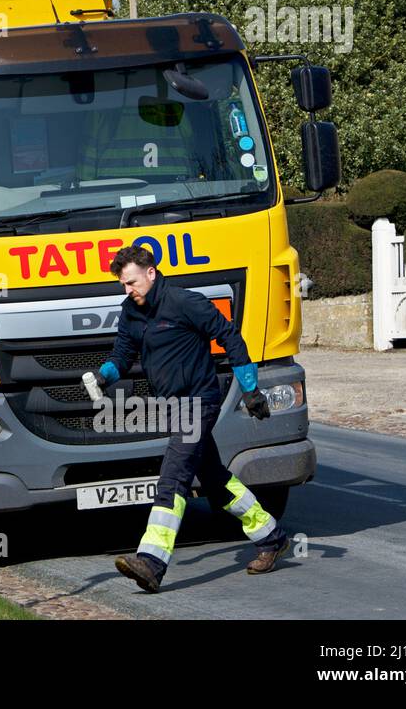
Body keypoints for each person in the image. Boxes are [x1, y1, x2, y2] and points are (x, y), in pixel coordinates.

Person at [94, 245, 289, 593]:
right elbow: (122, 354)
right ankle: (270, 536)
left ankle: (152, 561)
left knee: (173, 476)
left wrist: (250, 390)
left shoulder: (185, 302)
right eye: (123, 285)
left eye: (132, 282)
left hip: (200, 401)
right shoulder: (131, 311)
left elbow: (229, 335)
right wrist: (103, 376)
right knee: (213, 479)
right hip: (173, 406)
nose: (128, 291)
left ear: (151, 273)